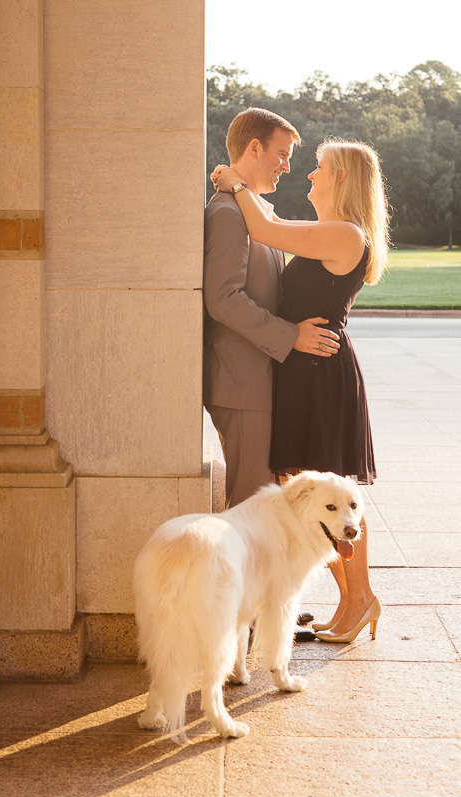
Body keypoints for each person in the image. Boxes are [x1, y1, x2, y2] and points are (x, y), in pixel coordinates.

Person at [212, 138, 390, 642]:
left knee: (329, 495)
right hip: (304, 371)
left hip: (321, 377)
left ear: (343, 180)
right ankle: (356, 600)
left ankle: (359, 600)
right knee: (314, 494)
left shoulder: (347, 235)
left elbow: (264, 228)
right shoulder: (326, 232)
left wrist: (237, 182)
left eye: (319, 168)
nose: (309, 176)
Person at [204, 108, 341, 641]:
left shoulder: (251, 209)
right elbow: (222, 299)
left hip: (261, 380)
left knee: (260, 505)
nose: (287, 165)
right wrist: (290, 337)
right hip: (242, 383)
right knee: (247, 508)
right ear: (253, 148)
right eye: (282, 153)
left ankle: (258, 611)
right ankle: (236, 632)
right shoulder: (226, 214)